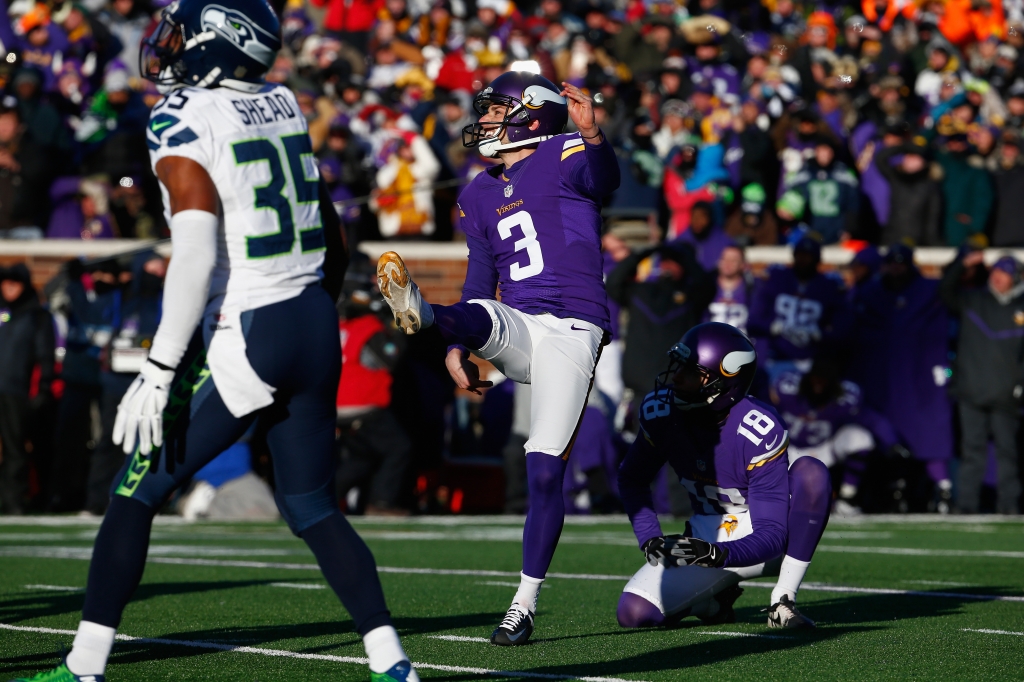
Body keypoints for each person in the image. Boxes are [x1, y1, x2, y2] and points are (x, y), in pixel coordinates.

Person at [14, 2, 418, 682]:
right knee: (314, 508)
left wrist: (159, 365)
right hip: (312, 322)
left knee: (134, 493)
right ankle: (393, 662)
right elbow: (328, 224)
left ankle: (83, 667)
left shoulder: (183, 114)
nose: (168, 41)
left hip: (251, 327)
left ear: (215, 42)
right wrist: (317, 306)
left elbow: (195, 254)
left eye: (181, 29)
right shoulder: (284, 100)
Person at [374, 71, 619, 646]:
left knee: (542, 471)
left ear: (534, 114)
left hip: (572, 330)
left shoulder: (565, 152)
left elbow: (602, 179)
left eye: (496, 109)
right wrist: (459, 345)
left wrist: (594, 135)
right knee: (479, 311)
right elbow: (481, 278)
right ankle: (425, 314)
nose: (484, 119)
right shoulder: (477, 191)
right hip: (521, 324)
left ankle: (523, 603)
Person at [616, 323, 831, 630]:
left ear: (725, 383)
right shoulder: (662, 412)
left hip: (769, 537)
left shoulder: (756, 428)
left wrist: (720, 554)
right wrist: (649, 537)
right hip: (707, 534)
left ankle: (783, 600)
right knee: (634, 614)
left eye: (692, 372)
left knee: (811, 474)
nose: (676, 377)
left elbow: (772, 534)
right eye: (678, 367)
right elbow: (632, 478)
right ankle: (713, 601)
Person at [940, 253, 1024, 514]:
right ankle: (966, 505)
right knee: (972, 452)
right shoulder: (973, 300)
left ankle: (1009, 505)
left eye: (1005, 272)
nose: (998, 277)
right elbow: (944, 291)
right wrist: (962, 264)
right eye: (995, 271)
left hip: (1007, 393)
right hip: (971, 390)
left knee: (1007, 452)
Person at [769, 357, 901, 515]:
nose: (818, 386)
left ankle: (846, 499)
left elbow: (871, 419)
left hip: (823, 449)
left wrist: (892, 442)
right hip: (787, 449)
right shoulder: (786, 389)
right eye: (815, 381)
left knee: (861, 438)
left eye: (824, 383)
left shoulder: (846, 398)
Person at [607, 241, 715, 403]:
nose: (668, 265)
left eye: (674, 261)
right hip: (640, 386)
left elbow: (708, 287)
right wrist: (644, 253)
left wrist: (685, 258)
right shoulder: (641, 291)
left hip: (676, 387)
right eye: (665, 260)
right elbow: (613, 283)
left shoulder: (692, 297)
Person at [0, 264, 55, 515]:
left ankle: (15, 499)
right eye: (5, 283)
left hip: (17, 391)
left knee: (16, 449)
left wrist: (43, 388)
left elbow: (45, 356)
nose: (9, 288)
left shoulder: (36, 316)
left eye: (15, 283)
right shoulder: (4, 313)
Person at [704, 244, 753, 333]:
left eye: (733, 260)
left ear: (742, 265)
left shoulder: (752, 289)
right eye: (724, 258)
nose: (728, 263)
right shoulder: (707, 286)